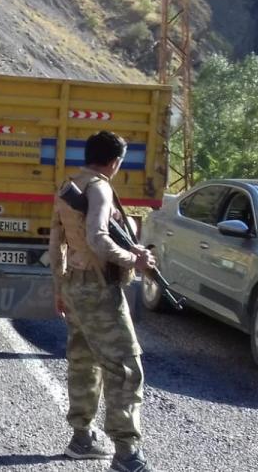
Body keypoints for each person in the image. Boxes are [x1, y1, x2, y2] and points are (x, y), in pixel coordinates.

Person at [49, 130, 157, 472]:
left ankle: (82, 438)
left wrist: (59, 287)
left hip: (74, 286)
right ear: (115, 162)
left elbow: (56, 245)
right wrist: (134, 260)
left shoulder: (71, 186)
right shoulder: (100, 187)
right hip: (98, 289)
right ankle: (126, 454)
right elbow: (97, 239)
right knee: (126, 367)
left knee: (83, 361)